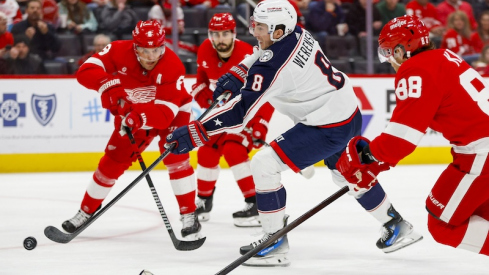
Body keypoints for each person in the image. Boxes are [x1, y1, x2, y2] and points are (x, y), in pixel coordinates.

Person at [165, 0, 422, 266]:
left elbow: (239, 113)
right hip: (346, 109)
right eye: (255, 25)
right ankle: (397, 225)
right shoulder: (296, 31)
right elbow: (261, 51)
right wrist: (240, 69)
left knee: (264, 163)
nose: (255, 32)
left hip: (326, 125)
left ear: (278, 30)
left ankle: (274, 240)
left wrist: (195, 133)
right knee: (346, 172)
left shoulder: (273, 68)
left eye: (260, 27)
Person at [337, 14, 489, 256]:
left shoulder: (415, 69)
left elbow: (401, 140)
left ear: (401, 50)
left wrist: (367, 157)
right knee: (480, 215)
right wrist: (377, 159)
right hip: (475, 152)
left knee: (442, 224)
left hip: (481, 155)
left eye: (388, 52)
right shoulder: (443, 57)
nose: (388, 60)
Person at [62, 19, 203, 240]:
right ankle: (86, 211)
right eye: (145, 51)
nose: (151, 57)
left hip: (173, 112)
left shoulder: (173, 65)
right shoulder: (118, 50)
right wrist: (108, 85)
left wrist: (137, 118)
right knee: (112, 160)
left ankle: (189, 214)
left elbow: (165, 116)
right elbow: (85, 71)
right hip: (133, 113)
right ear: (135, 47)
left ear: (163, 46)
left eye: (156, 50)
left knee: (177, 158)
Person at [191, 13, 274, 227]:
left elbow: (266, 93)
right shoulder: (204, 50)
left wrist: (260, 124)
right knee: (207, 150)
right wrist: (202, 94)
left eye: (225, 34)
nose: (220, 39)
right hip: (220, 114)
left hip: (245, 115)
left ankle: (254, 202)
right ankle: (203, 201)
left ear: (234, 35)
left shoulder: (249, 55)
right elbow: (201, 78)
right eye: (216, 34)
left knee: (233, 149)